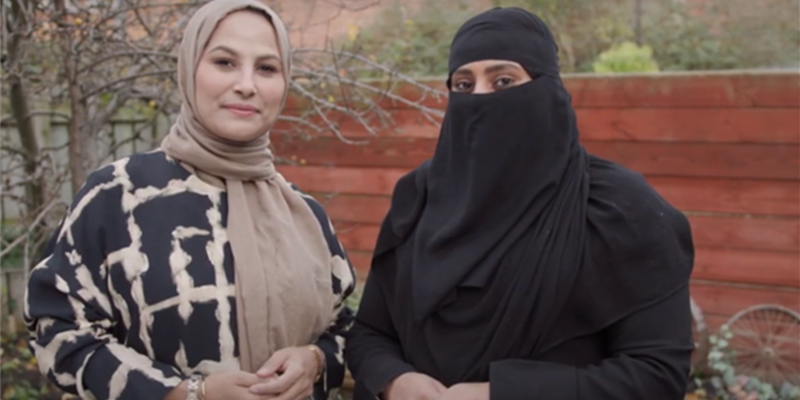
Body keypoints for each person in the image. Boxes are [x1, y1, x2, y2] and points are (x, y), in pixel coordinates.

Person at [344, 7, 695, 400]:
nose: (479, 99)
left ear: (547, 90)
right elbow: (370, 334)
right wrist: (394, 380)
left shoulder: (618, 209)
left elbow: (657, 375)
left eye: (504, 80)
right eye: (463, 85)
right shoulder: (419, 198)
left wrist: (499, 393)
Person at [24, 1, 356, 399]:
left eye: (267, 68)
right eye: (225, 62)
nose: (247, 84)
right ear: (189, 69)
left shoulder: (304, 214)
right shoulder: (119, 194)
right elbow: (58, 331)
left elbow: (349, 333)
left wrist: (315, 361)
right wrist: (186, 392)